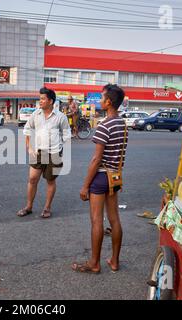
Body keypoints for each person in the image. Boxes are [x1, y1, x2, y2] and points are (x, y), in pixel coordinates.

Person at [72, 84, 127, 274]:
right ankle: (114, 261)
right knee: (115, 220)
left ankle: (94, 263)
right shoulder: (122, 123)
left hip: (101, 177)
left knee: (97, 221)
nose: (100, 100)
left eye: (102, 97)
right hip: (115, 177)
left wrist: (85, 186)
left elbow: (96, 159)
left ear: (109, 102)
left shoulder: (105, 125)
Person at [17, 87, 71, 219]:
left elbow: (66, 135)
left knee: (50, 181)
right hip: (38, 152)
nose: (40, 101)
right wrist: (29, 147)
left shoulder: (60, 117)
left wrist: (58, 148)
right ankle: (28, 207)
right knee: (32, 179)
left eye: (42, 99)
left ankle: (47, 208)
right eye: (39, 98)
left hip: (54, 154)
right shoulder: (36, 114)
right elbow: (27, 129)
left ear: (51, 101)